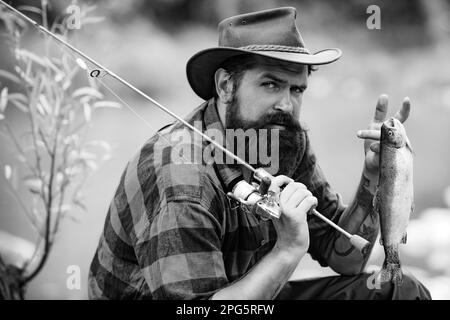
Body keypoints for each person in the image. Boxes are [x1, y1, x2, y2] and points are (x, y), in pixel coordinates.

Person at [88, 7, 431, 300]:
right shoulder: (181, 177)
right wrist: (287, 249)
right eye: (270, 84)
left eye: (297, 89)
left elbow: (347, 259)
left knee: (401, 291)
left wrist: (375, 176)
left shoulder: (282, 138)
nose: (286, 104)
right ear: (225, 86)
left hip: (245, 294)